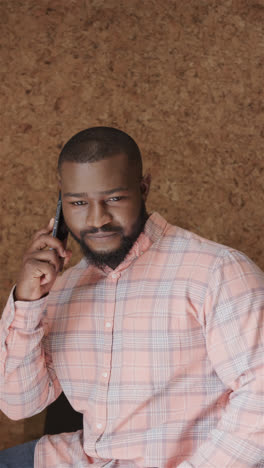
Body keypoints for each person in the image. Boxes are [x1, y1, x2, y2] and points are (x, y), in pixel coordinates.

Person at [0, 127, 263, 468]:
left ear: (143, 188)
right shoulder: (62, 290)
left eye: (114, 198)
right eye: (79, 202)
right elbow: (19, 403)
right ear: (61, 203)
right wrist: (28, 302)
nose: (97, 220)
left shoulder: (217, 272)